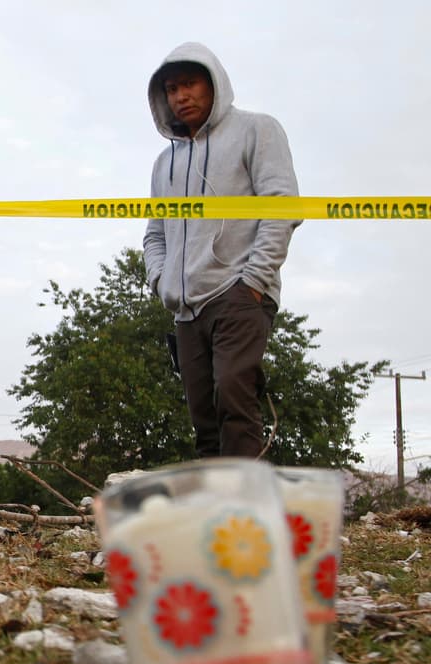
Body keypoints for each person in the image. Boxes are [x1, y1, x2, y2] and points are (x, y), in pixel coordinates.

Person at [143, 43, 300, 458]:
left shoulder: (257, 129)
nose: (181, 95)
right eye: (172, 88)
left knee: (234, 400)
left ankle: (246, 512)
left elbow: (283, 207)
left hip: (238, 293)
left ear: (214, 84)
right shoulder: (164, 162)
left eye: (190, 83)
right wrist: (161, 282)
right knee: (203, 419)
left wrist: (253, 281)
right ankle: (214, 515)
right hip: (185, 308)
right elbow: (154, 233)